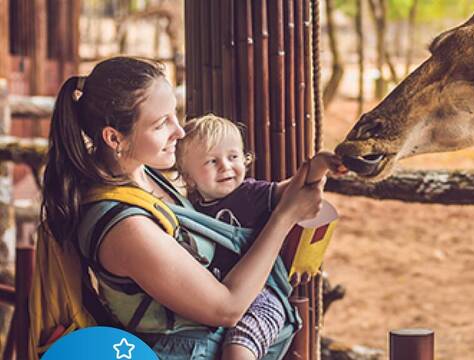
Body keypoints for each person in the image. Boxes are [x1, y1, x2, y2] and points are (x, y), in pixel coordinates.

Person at [41, 56, 327, 360]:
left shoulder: (143, 174)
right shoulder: (125, 227)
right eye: (160, 123)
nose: (179, 132)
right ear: (114, 138)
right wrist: (285, 217)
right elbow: (226, 308)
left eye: (174, 114)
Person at [175, 114, 345, 359]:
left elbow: (299, 186)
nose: (226, 166)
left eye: (233, 157)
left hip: (262, 295)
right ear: (189, 177)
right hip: (217, 296)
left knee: (239, 349)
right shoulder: (189, 209)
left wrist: (320, 164)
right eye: (212, 161)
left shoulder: (251, 193)